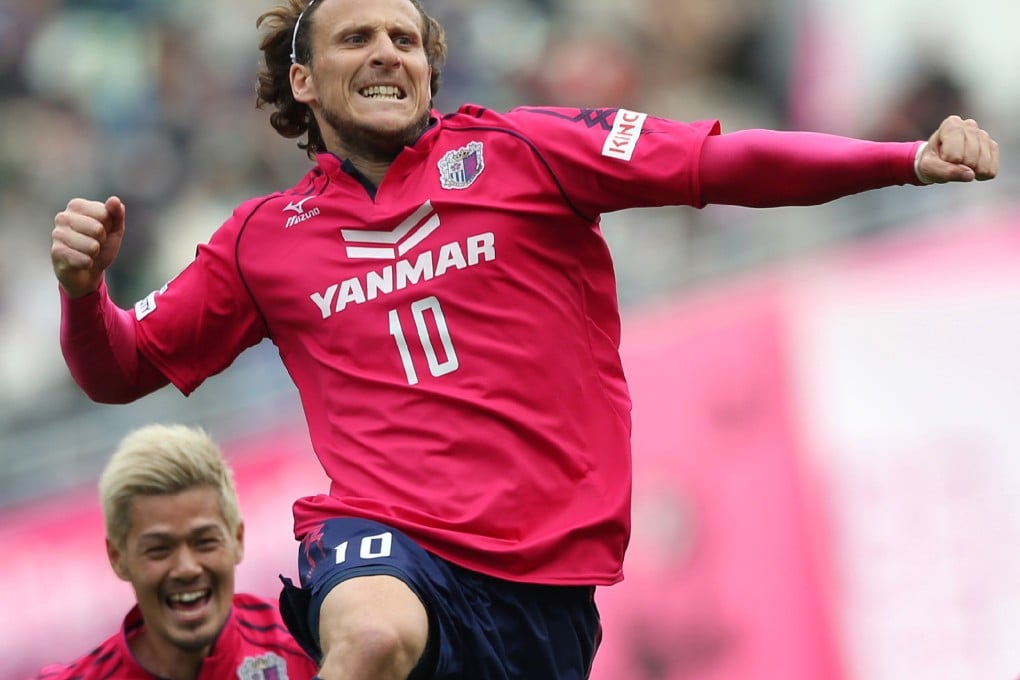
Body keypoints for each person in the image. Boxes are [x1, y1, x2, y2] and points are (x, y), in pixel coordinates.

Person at [49, 0, 1000, 677]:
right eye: (356, 37)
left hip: (544, 582)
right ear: (303, 79)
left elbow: (717, 161)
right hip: (386, 537)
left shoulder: (527, 149)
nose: (387, 52)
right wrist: (84, 292)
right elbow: (122, 367)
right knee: (369, 635)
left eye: (405, 38)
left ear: (429, 66)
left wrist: (902, 160)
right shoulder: (263, 237)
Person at [32, 424, 319, 680]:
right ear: (118, 558)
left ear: (237, 539)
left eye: (205, 542)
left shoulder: (313, 645)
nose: (186, 568)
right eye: (159, 549)